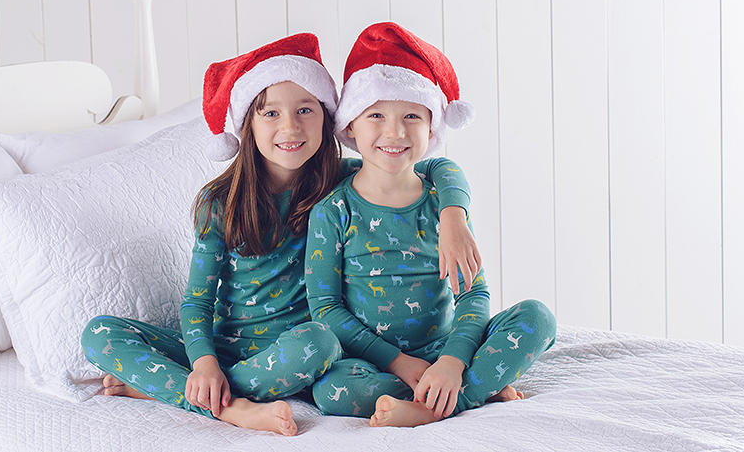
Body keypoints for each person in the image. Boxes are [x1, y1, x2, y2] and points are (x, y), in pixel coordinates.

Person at [82, 33, 482, 436]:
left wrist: (453, 215)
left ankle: (170, 389)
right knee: (99, 333)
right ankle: (227, 406)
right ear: (247, 125)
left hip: (303, 349)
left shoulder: (339, 182)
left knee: (320, 341)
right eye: (270, 113)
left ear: (327, 118)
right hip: (228, 348)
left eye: (305, 109)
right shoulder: (220, 202)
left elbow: (435, 168)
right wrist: (203, 363)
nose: (290, 127)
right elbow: (197, 303)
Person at [306, 22, 556, 427]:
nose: (395, 131)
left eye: (411, 115)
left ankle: (442, 397)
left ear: (432, 126)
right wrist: (399, 362)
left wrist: (453, 362)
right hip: (375, 361)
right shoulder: (333, 211)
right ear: (351, 124)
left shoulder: (443, 205)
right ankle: (471, 391)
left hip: (449, 346)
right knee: (330, 392)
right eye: (376, 115)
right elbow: (326, 308)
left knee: (538, 318)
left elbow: (474, 295)